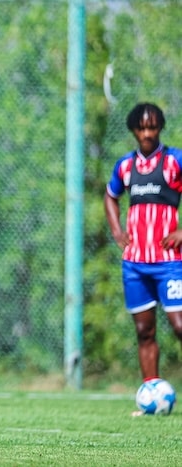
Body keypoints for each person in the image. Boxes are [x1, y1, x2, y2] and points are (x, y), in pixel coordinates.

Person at [104, 102, 182, 415]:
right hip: (135, 263)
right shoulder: (125, 166)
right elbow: (111, 195)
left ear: (160, 128)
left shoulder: (175, 160)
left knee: (179, 325)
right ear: (134, 130)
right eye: (142, 128)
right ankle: (151, 390)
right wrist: (116, 229)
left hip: (170, 261)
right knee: (144, 331)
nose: (147, 133)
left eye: (152, 127)